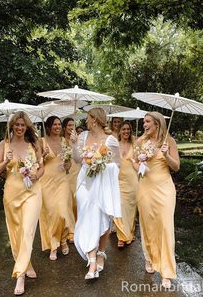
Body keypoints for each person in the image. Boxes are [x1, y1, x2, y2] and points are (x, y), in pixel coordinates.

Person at [0, 111, 44, 296]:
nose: (20, 128)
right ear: (12, 125)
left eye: (23, 125)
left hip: (32, 192)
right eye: (17, 125)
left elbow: (42, 168)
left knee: (28, 230)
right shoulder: (4, 145)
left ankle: (20, 274)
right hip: (12, 193)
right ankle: (26, 263)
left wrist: (35, 175)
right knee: (15, 232)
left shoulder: (33, 144)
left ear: (27, 126)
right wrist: (6, 160)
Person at [70, 108, 122, 280]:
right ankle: (93, 260)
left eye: (88, 118)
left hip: (102, 185)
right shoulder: (83, 136)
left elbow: (117, 165)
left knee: (102, 218)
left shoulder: (111, 140)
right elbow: (78, 160)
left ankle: (98, 255)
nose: (85, 121)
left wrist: (99, 163)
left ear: (95, 119)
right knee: (87, 218)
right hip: (85, 183)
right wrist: (73, 144)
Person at [134, 112, 180, 289]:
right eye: (144, 122)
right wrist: (141, 166)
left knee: (166, 227)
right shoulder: (140, 142)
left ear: (157, 124)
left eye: (147, 122)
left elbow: (176, 166)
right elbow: (133, 162)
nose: (144, 124)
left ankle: (167, 271)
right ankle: (149, 258)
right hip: (145, 188)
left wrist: (167, 155)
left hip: (165, 189)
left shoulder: (170, 141)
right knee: (148, 225)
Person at [39, 116, 75, 261]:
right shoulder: (40, 142)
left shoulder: (65, 142)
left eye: (59, 124)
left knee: (62, 212)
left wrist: (67, 164)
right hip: (46, 182)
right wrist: (42, 155)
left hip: (62, 181)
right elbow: (35, 163)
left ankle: (64, 239)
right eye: (54, 124)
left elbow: (69, 165)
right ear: (48, 126)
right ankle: (54, 245)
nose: (58, 126)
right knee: (51, 214)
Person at [114, 120, 138, 248]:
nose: (126, 131)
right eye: (123, 129)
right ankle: (121, 236)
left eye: (128, 129)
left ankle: (130, 232)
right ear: (119, 131)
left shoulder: (135, 145)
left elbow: (139, 161)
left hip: (132, 180)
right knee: (119, 206)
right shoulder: (115, 145)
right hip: (118, 180)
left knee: (130, 208)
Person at [62, 117, 81, 242]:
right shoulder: (62, 141)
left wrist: (76, 142)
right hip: (65, 174)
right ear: (64, 127)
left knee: (77, 202)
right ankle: (71, 231)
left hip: (77, 171)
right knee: (67, 202)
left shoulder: (78, 139)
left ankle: (79, 228)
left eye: (73, 125)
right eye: (69, 125)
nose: (71, 127)